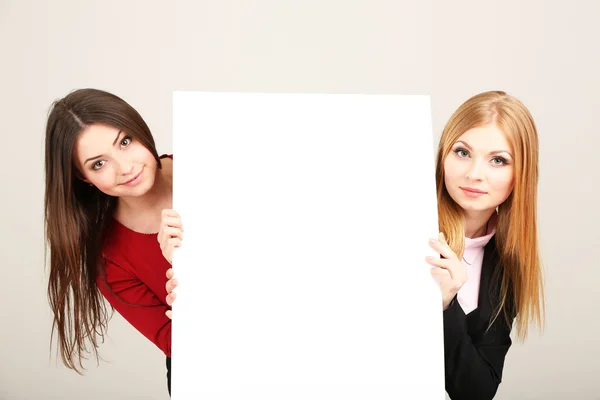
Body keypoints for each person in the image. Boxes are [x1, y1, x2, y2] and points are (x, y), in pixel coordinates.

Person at [164, 90, 545, 400]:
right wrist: (189, 259)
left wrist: (445, 307)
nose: (474, 173)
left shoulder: (505, 267)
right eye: (462, 152)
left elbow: (476, 392)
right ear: (444, 153)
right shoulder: (383, 210)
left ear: (520, 174)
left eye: (498, 160)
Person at [44, 88, 182, 396]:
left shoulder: (210, 164)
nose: (125, 167)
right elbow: (179, 343)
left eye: (125, 141)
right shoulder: (110, 258)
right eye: (98, 164)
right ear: (83, 178)